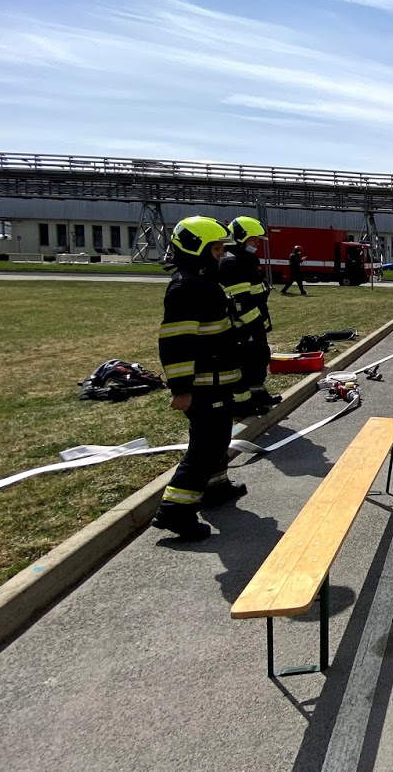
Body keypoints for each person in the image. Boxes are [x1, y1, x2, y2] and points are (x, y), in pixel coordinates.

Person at [151, 217, 246, 541]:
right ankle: (175, 510)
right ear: (197, 249)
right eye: (216, 249)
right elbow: (176, 343)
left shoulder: (203, 282)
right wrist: (181, 390)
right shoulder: (187, 288)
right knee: (207, 446)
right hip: (203, 385)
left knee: (218, 438)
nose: (223, 255)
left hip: (217, 380)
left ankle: (215, 487)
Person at [220, 216, 281, 418]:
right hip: (244, 326)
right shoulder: (232, 262)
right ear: (241, 237)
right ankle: (242, 405)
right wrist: (254, 324)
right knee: (246, 364)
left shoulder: (246, 260)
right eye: (253, 239)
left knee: (259, 358)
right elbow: (239, 301)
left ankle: (258, 394)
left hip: (255, 323)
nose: (257, 244)